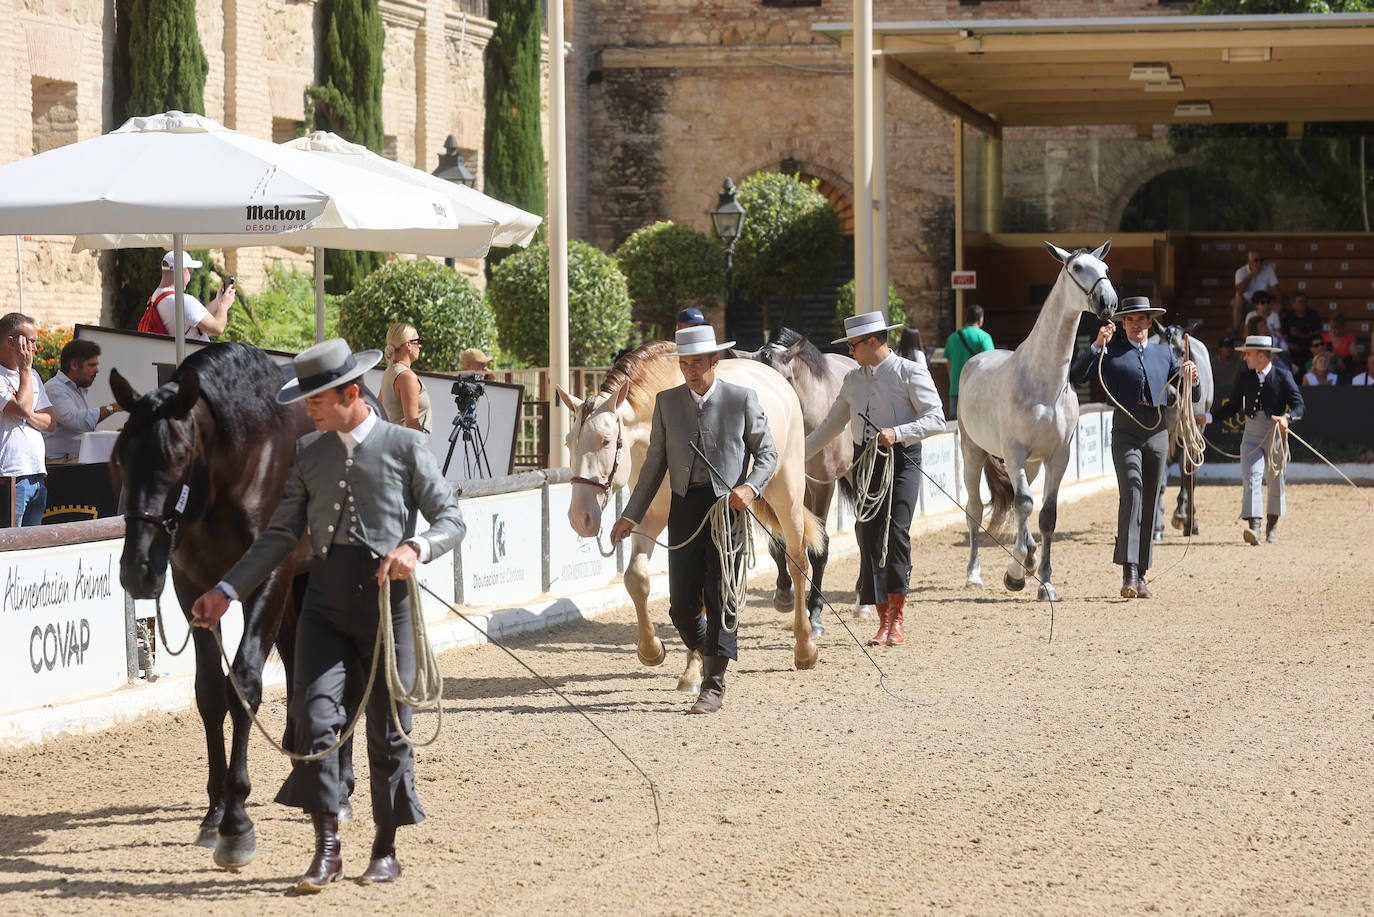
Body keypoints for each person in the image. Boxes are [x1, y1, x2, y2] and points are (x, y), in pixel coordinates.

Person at [189, 338, 464, 892]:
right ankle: (328, 850)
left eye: (315, 401)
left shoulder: (406, 446)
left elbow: (450, 519)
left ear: (350, 393)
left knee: (389, 733)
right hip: (324, 606)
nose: (306, 410)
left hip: (388, 607)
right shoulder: (308, 452)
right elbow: (278, 536)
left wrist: (416, 548)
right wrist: (226, 589)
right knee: (313, 722)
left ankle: (385, 849)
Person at [608, 324, 777, 714]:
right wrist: (631, 515)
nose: (690, 370)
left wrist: (750, 488)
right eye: (684, 364)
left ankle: (713, 685)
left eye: (697, 363)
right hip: (683, 506)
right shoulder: (667, 403)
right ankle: (709, 650)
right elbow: (654, 465)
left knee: (720, 598)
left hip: (727, 508)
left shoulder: (742, 399)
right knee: (682, 606)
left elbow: (767, 454)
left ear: (715, 361)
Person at [804, 311, 946, 646]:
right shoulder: (853, 380)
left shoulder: (910, 372)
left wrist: (899, 432)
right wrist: (796, 454)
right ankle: (883, 619)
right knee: (868, 534)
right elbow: (831, 426)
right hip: (866, 461)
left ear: (871, 341)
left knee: (896, 532)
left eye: (853, 345)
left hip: (902, 460)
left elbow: (937, 418)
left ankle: (896, 619)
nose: (849, 351)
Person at [1069, 297, 1198, 600]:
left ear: (1150, 322)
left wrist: (1192, 377)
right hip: (1125, 430)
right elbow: (1076, 376)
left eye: (1141, 319)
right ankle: (1128, 571)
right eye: (1130, 319)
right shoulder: (1111, 351)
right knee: (1132, 493)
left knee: (1151, 499)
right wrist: (1096, 345)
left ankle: (1142, 573)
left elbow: (1190, 393)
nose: (1136, 324)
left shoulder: (1164, 353)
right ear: (1123, 323)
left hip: (1157, 430)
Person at [1198, 334, 1303, 546]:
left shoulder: (1282, 376)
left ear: (1261, 356)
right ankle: (1254, 527)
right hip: (1251, 433)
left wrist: (1287, 418)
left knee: (1276, 480)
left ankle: (1271, 526)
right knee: (1252, 477)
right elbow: (1233, 405)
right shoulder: (1245, 377)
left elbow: (1299, 405)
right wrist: (1207, 418)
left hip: (1275, 434)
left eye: (1248, 353)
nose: (1244, 357)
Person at [0, 313, 55, 526]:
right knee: (10, 542)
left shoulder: (33, 376)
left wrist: (26, 413)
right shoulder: (24, 373)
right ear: (11, 341)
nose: (35, 348)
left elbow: (50, 422)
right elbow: (22, 408)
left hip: (36, 476)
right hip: (10, 476)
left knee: (33, 543)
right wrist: (24, 369)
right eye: (31, 341)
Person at [43, 339, 122, 465]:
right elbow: (75, 420)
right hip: (60, 464)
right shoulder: (54, 388)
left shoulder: (77, 388)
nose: (97, 370)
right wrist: (112, 408)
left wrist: (114, 436)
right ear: (74, 365)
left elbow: (81, 431)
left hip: (73, 461)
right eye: (92, 365)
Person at [144, 251, 236, 341]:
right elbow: (218, 328)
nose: (189, 278)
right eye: (190, 272)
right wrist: (224, 306)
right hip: (195, 351)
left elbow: (195, 316)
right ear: (181, 271)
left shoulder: (155, 297)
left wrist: (218, 301)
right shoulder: (182, 301)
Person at [943, 303, 994, 419]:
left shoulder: (952, 338)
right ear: (981, 320)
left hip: (956, 389)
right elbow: (990, 364)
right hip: (977, 391)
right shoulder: (984, 337)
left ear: (965, 319)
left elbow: (949, 364)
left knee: (955, 425)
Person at [379, 323, 431, 434]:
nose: (420, 346)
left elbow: (378, 408)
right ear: (408, 345)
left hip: (394, 440)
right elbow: (412, 424)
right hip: (407, 442)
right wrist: (421, 444)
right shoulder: (407, 377)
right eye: (418, 341)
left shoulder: (390, 371)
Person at [1233, 248, 1279, 334]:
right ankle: (1236, 330)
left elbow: (1276, 291)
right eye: (1256, 260)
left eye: (1261, 260)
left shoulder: (1268, 270)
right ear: (1249, 261)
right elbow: (1239, 291)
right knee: (1238, 300)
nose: (1259, 263)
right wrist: (1251, 275)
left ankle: (1274, 332)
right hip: (1246, 303)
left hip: (1262, 302)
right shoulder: (1240, 272)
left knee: (1276, 306)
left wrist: (1277, 303)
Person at [1282, 293, 1323, 376]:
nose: (1303, 304)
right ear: (1293, 304)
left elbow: (1318, 332)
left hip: (1310, 349)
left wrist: (1302, 335)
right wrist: (1289, 345)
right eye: (1300, 302)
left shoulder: (1313, 314)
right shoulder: (1288, 317)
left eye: (1305, 301)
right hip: (1293, 350)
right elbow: (1283, 336)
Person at [1321, 314, 1357, 379]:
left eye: (1337, 329)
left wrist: (1340, 360)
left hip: (1345, 367)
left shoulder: (1349, 337)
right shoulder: (1324, 337)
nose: (1334, 331)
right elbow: (1320, 355)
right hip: (1328, 367)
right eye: (1333, 328)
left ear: (1343, 328)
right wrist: (1336, 358)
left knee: (1350, 359)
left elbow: (1355, 357)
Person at [1211, 336, 1244, 401]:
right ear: (1220, 348)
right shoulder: (1213, 363)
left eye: (1231, 347)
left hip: (1235, 396)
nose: (1229, 349)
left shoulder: (1240, 363)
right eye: (1226, 347)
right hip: (1217, 396)